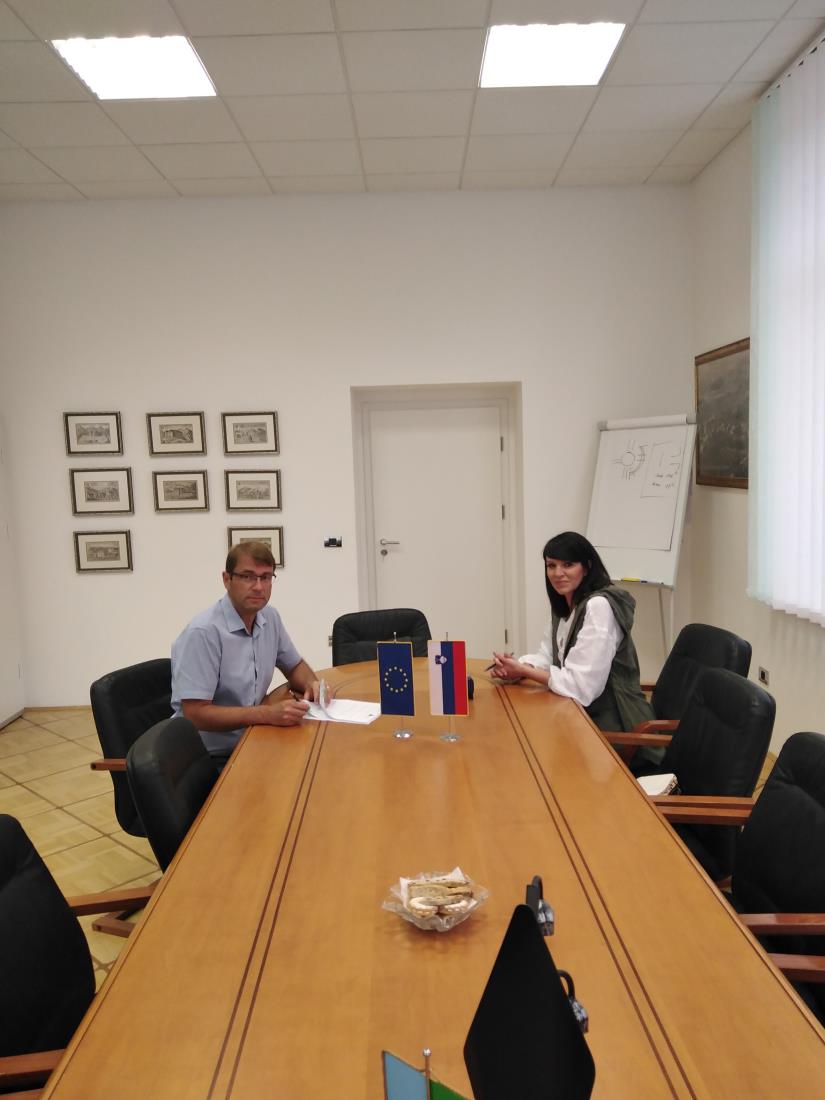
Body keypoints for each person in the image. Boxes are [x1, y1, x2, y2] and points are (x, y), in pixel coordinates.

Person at [171, 541, 324, 766]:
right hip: (210, 759)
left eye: (266, 577)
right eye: (248, 577)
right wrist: (265, 714)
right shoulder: (204, 633)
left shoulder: (269, 617)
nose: (259, 587)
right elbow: (195, 714)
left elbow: (294, 666)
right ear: (227, 579)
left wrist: (313, 684)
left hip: (256, 739)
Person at [490, 531, 653, 732]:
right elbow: (548, 657)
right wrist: (517, 667)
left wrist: (524, 671)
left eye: (568, 565)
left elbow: (580, 687)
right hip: (577, 715)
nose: (558, 573)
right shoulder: (565, 605)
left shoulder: (599, 607)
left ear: (587, 567)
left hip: (615, 725)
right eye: (551, 565)